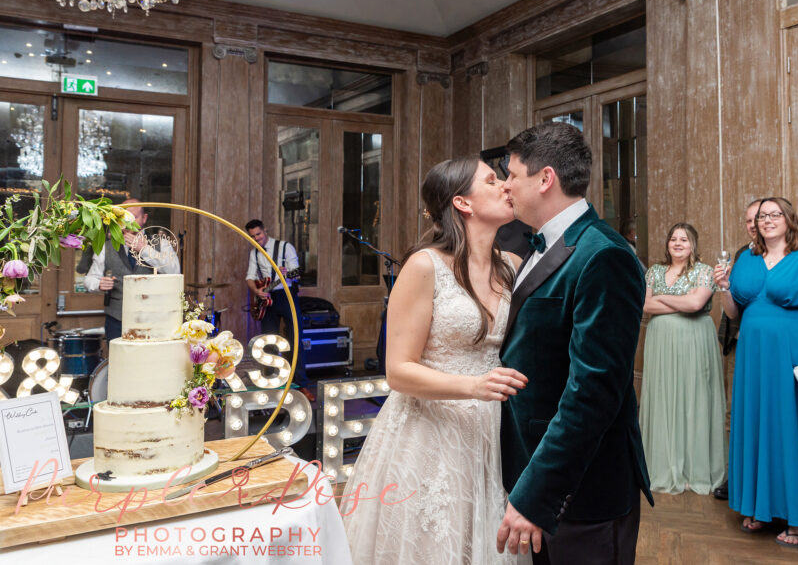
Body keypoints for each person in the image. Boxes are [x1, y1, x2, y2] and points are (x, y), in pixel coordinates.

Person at [341, 157, 528, 564]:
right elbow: (398, 370)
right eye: (492, 181)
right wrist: (474, 386)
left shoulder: (512, 266)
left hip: (492, 429)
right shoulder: (424, 266)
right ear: (463, 203)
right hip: (430, 429)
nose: (505, 187)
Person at [497, 122, 653, 565]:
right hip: (533, 471)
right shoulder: (542, 246)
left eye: (512, 174)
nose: (506, 185)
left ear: (545, 179)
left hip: (580, 493)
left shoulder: (604, 254)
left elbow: (592, 393)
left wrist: (536, 494)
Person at [713, 196, 798, 547]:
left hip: (793, 353)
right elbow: (734, 312)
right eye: (762, 216)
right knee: (756, 425)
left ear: (789, 219)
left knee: (794, 428)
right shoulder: (747, 259)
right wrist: (723, 287)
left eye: (775, 214)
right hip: (753, 358)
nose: (767, 220)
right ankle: (760, 506)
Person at [639, 222, 725, 495]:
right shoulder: (654, 271)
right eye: (673, 239)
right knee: (664, 399)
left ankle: (694, 469)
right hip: (661, 344)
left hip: (694, 341)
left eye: (684, 240)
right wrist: (680, 300)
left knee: (693, 399)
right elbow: (643, 304)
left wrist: (663, 300)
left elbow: (696, 305)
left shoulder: (705, 271)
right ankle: (663, 466)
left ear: (693, 245)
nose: (677, 243)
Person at [713, 198, 762, 502]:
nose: (754, 225)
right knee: (736, 411)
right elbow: (733, 307)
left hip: (769, 342)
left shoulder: (793, 254)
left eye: (759, 218)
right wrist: (724, 286)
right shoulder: (743, 254)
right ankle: (737, 475)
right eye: (748, 221)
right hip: (739, 341)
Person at [84, 198, 180, 340]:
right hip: (117, 320)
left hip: (154, 320)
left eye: (133, 217)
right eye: (123, 218)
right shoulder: (107, 246)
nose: (128, 222)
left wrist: (144, 249)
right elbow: (90, 279)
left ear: (144, 218)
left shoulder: (161, 243)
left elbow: (174, 271)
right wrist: (98, 284)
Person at [244, 219, 300, 338]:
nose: (256, 239)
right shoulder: (254, 253)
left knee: (294, 335)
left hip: (286, 294)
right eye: (252, 236)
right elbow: (250, 277)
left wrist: (288, 272)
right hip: (266, 298)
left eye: (258, 234)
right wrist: (256, 291)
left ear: (265, 230)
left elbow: (296, 274)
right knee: (269, 338)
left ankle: (295, 357)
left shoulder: (285, 247)